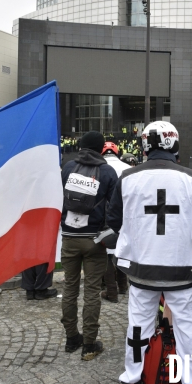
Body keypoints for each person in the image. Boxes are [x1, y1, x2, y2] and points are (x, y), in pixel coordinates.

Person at [108, 121, 192, 384]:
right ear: (175, 145)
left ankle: (134, 373)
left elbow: (114, 218)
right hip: (181, 268)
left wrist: (140, 235)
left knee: (139, 324)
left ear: (144, 145)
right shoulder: (191, 179)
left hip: (140, 266)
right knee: (188, 326)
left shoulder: (127, 178)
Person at [60, 131, 118, 361]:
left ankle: (71, 337)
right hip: (94, 238)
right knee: (92, 291)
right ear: (102, 148)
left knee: (70, 288)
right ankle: (89, 344)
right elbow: (114, 209)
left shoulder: (67, 167)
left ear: (81, 146)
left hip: (69, 236)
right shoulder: (107, 171)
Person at [100, 141, 130, 303]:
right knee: (121, 250)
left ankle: (111, 290)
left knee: (107, 254)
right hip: (126, 216)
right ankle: (123, 285)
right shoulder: (128, 168)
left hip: (106, 215)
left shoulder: (101, 168)